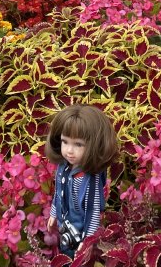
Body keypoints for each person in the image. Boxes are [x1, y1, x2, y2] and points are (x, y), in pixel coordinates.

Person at [45, 105, 118, 258]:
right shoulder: (63, 167)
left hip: (82, 231)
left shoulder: (90, 179)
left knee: (80, 262)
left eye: (78, 144)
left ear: (95, 145)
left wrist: (88, 241)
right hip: (65, 225)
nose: (69, 151)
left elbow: (93, 212)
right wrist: (53, 214)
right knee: (65, 254)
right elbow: (59, 193)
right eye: (65, 142)